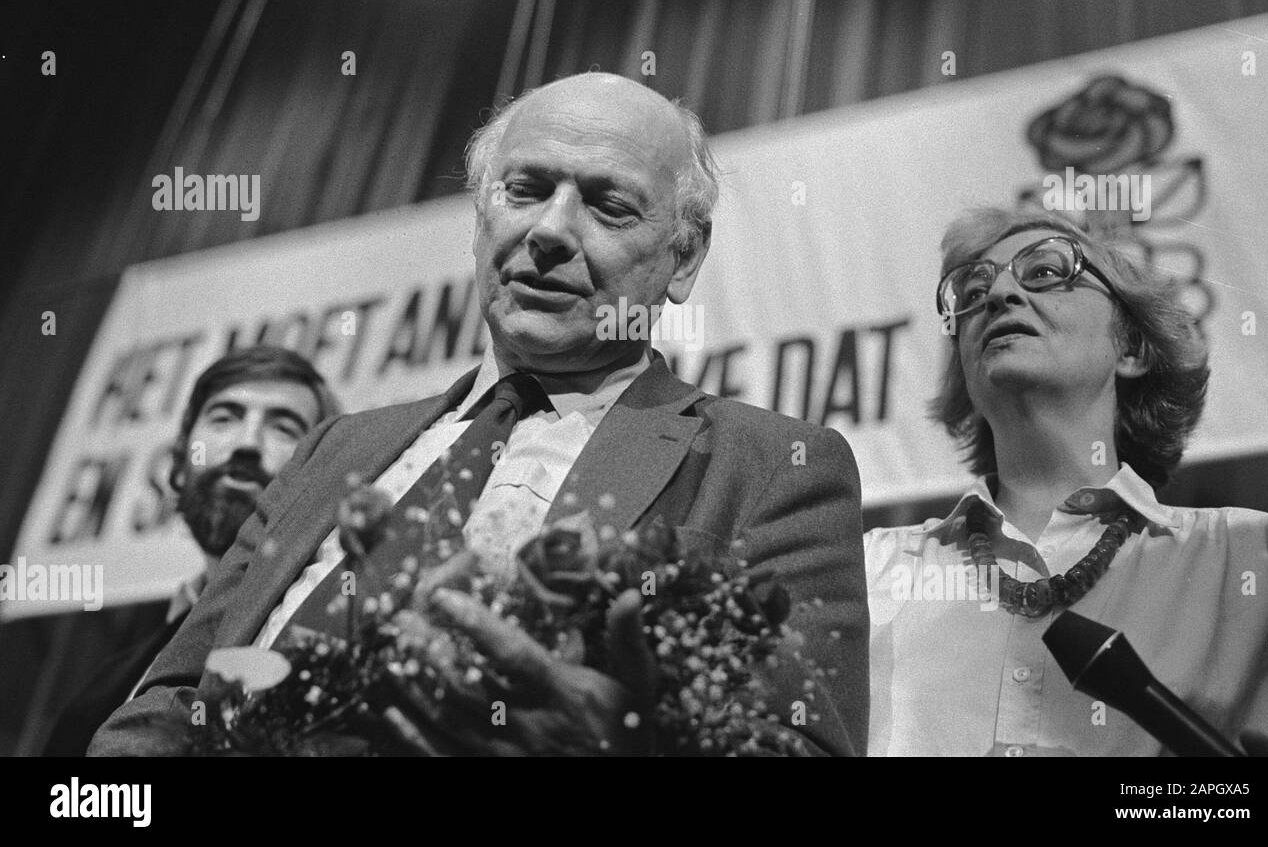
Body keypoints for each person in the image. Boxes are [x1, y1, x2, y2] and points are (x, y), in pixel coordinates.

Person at [90, 72, 868, 757]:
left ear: (684, 257)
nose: (551, 232)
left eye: (607, 204)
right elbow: (167, 701)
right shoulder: (335, 446)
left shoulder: (772, 465)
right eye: (524, 190)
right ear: (478, 219)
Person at [865, 206, 1268, 756]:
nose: (998, 294)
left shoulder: (1254, 559)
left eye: (1045, 272)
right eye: (972, 291)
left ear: (1133, 348)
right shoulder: (868, 573)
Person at [43, 346, 339, 756]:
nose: (247, 444)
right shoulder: (106, 687)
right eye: (224, 418)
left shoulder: (331, 637)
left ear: (321, 471)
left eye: (284, 428)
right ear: (180, 460)